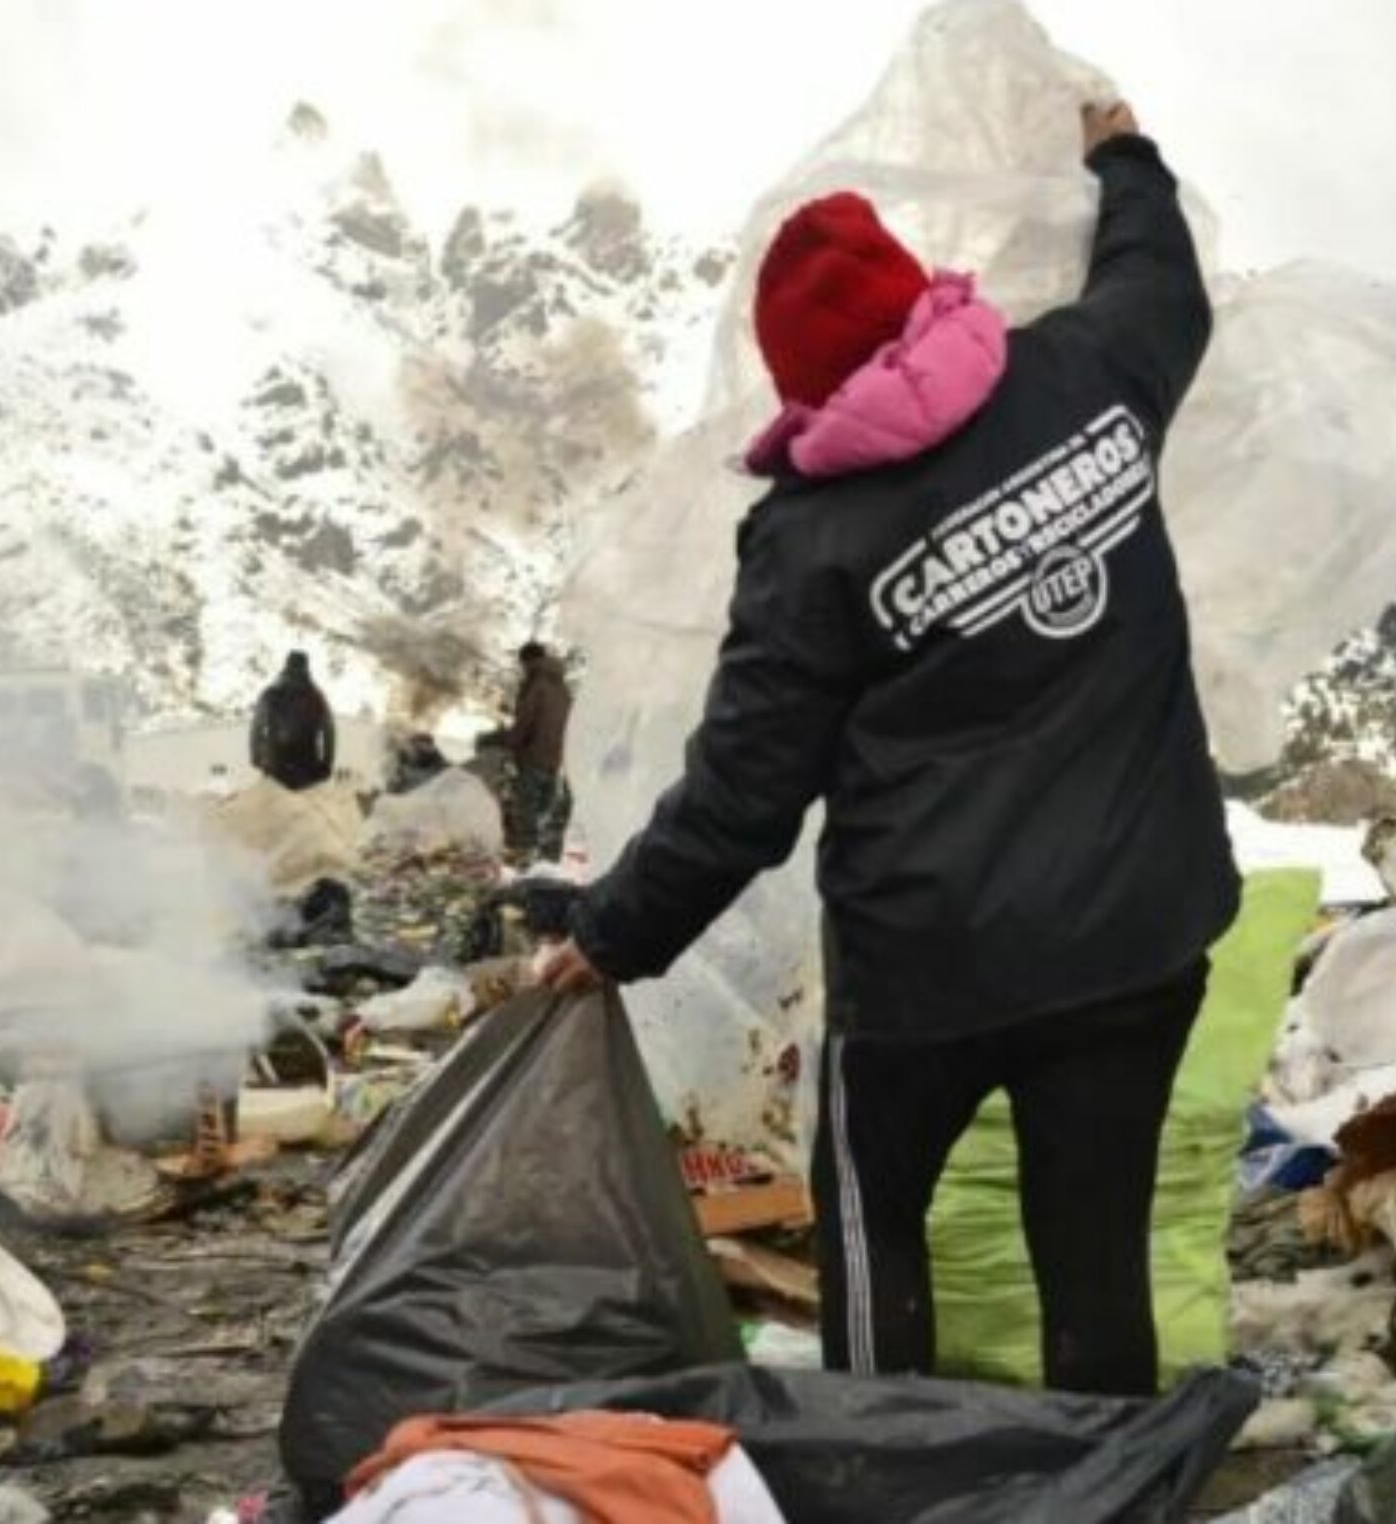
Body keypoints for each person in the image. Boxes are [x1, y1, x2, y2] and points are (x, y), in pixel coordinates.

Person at [537, 102, 1236, 1398]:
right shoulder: (1086, 371)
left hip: (931, 974)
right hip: (1138, 937)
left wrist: (611, 933)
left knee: (874, 1233)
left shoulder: (812, 540)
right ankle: (1114, 1490)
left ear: (799, 378)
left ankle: (879, 1468)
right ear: (920, 301)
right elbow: (1159, 276)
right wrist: (1123, 155)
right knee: (1094, 1262)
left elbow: (744, 797)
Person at [494, 643, 574, 861]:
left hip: (533, 755)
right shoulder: (562, 688)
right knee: (544, 811)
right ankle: (545, 859)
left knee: (525, 809)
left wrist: (508, 743)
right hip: (556, 758)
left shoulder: (537, 684)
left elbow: (526, 721)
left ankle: (523, 856)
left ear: (527, 661)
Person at [251, 649, 335, 791]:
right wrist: (326, 764)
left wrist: (257, 758)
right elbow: (329, 732)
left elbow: (256, 729)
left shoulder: (270, 694)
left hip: (275, 768)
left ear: (286, 666)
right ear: (307, 668)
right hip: (308, 769)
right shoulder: (316, 697)